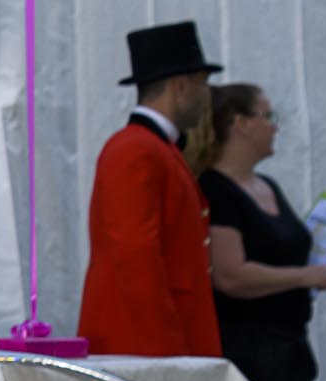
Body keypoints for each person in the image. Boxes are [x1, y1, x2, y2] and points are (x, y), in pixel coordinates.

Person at [196, 83, 326, 381]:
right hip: (248, 354)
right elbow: (230, 275)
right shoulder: (216, 189)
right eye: (268, 116)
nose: (275, 126)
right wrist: (304, 277)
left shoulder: (266, 185)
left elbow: (282, 258)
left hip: (288, 351)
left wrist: (323, 266)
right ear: (241, 124)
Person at [78, 22, 223, 357]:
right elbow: (136, 256)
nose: (207, 96)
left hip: (157, 341)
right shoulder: (136, 150)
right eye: (202, 85)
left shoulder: (156, 148)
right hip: (143, 344)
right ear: (180, 86)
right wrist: (169, 354)